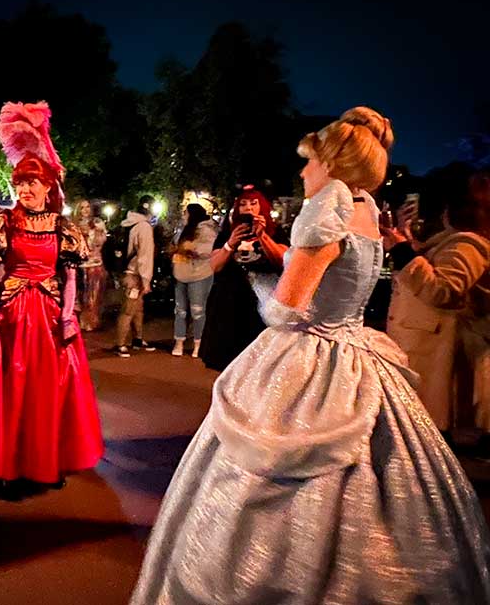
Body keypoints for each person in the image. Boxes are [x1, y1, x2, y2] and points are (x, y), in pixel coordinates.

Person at [130, 107, 490, 604]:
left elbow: (288, 308)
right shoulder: (366, 206)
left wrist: (258, 282)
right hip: (358, 349)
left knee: (270, 476)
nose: (303, 171)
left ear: (331, 163)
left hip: (311, 353)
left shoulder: (329, 205)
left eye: (309, 161)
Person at [0, 101, 103, 500]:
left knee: (47, 392)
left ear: (48, 187)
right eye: (20, 184)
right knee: (6, 389)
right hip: (10, 316)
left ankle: (44, 462)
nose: (25, 190)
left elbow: (70, 276)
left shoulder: (64, 227)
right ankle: (4, 464)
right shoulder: (2, 221)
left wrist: (68, 316)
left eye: (32, 183)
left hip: (49, 318)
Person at [385, 169, 490, 449]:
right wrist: (406, 240)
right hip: (427, 346)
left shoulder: (469, 244)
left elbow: (443, 290)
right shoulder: (457, 241)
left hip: (438, 352)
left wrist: (403, 250)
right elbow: (434, 264)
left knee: (431, 443)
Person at [198, 185, 288, 370]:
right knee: (227, 363)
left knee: (260, 364)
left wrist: (262, 236)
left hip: (262, 304)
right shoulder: (227, 233)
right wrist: (230, 243)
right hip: (229, 303)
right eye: (243, 204)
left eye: (254, 203)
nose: (248, 208)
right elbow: (214, 265)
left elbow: (283, 260)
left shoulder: (275, 232)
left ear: (262, 207)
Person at [169, 203, 217, 357]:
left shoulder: (207, 230)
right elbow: (175, 244)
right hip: (180, 271)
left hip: (200, 273)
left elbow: (210, 250)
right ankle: (179, 341)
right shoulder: (183, 229)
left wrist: (193, 249)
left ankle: (198, 343)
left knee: (198, 310)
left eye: (186, 213)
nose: (184, 215)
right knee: (180, 310)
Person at [114, 195, 157, 357]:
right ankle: (120, 344)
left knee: (138, 309)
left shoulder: (128, 223)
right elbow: (145, 256)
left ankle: (137, 339)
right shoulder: (144, 227)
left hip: (126, 271)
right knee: (128, 310)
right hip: (134, 275)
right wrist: (146, 280)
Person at [75, 199, 108, 331]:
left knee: (94, 296)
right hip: (80, 265)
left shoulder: (97, 223)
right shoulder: (74, 225)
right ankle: (81, 321)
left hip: (95, 264)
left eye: (87, 207)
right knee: (80, 295)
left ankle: (91, 322)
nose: (85, 210)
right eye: (82, 207)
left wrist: (95, 233)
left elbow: (100, 242)